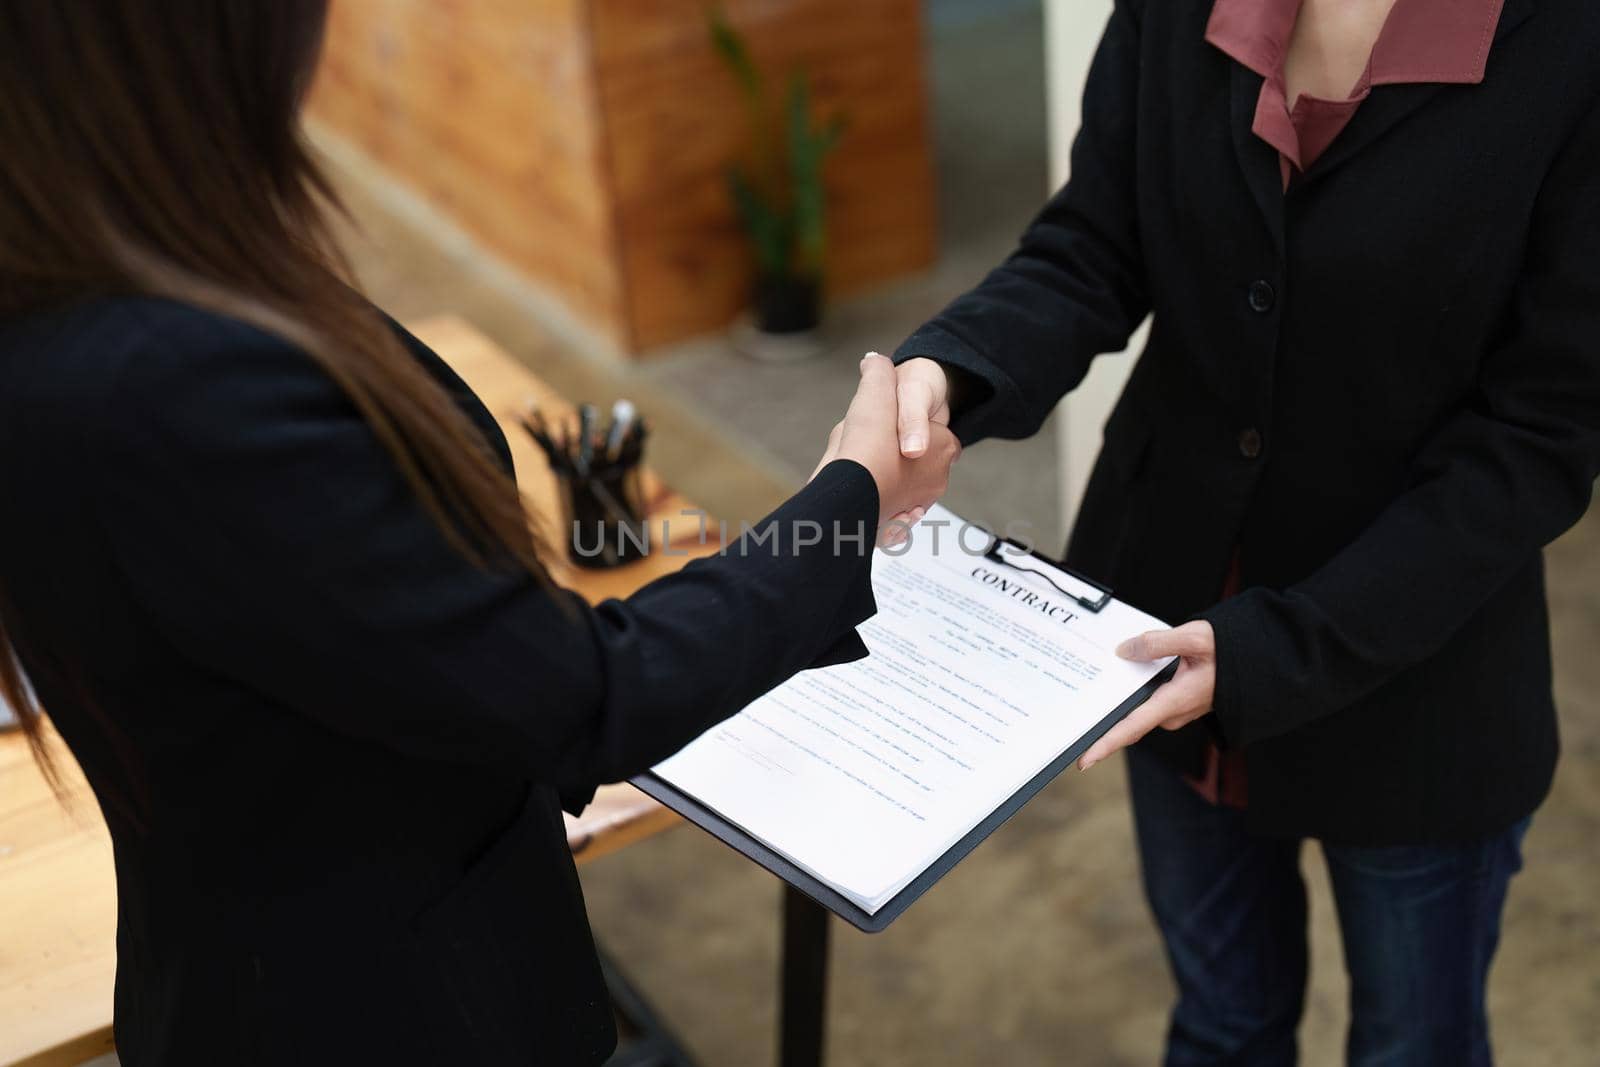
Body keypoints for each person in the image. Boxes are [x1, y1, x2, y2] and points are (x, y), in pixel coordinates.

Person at [0, 4, 959, 1065]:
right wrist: (851, 498)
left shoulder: (83, 278)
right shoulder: (181, 380)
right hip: (377, 1004)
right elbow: (584, 697)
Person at [884, 0, 1600, 1062]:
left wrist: (1278, 648)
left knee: (1416, 1043)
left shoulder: (1570, 44)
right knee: (1222, 1024)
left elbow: (1540, 433)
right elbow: (1095, 240)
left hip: (1414, 682)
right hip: (1156, 631)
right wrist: (943, 374)